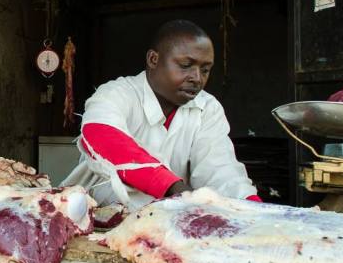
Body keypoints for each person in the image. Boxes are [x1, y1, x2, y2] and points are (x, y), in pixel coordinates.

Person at [62, 19, 262, 212]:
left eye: (205, 70)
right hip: (95, 216)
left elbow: (221, 171)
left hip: (167, 220)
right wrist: (174, 188)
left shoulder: (207, 108)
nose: (197, 78)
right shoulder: (116, 93)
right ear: (153, 59)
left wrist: (255, 210)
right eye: (186, 65)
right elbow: (102, 136)